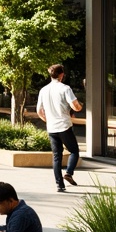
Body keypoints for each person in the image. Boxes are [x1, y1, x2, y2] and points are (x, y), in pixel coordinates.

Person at [37, 63, 83, 192]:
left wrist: (48, 120)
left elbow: (39, 111)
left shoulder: (44, 90)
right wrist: (80, 107)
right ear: (61, 75)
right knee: (74, 151)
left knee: (56, 156)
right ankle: (68, 173)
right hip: (64, 126)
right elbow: (75, 106)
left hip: (51, 127)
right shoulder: (65, 88)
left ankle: (59, 185)